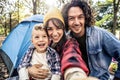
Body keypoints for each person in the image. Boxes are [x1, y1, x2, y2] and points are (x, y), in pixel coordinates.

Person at [27, 7, 99, 80]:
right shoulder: (44, 44)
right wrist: (29, 70)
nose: (55, 34)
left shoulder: (70, 43)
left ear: (63, 28)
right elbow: (26, 61)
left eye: (58, 28)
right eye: (50, 29)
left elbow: (71, 58)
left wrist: (76, 75)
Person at [61, 0, 120, 80]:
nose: (76, 22)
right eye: (71, 18)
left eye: (80, 17)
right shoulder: (66, 40)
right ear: (66, 21)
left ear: (86, 17)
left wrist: (117, 77)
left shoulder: (100, 35)